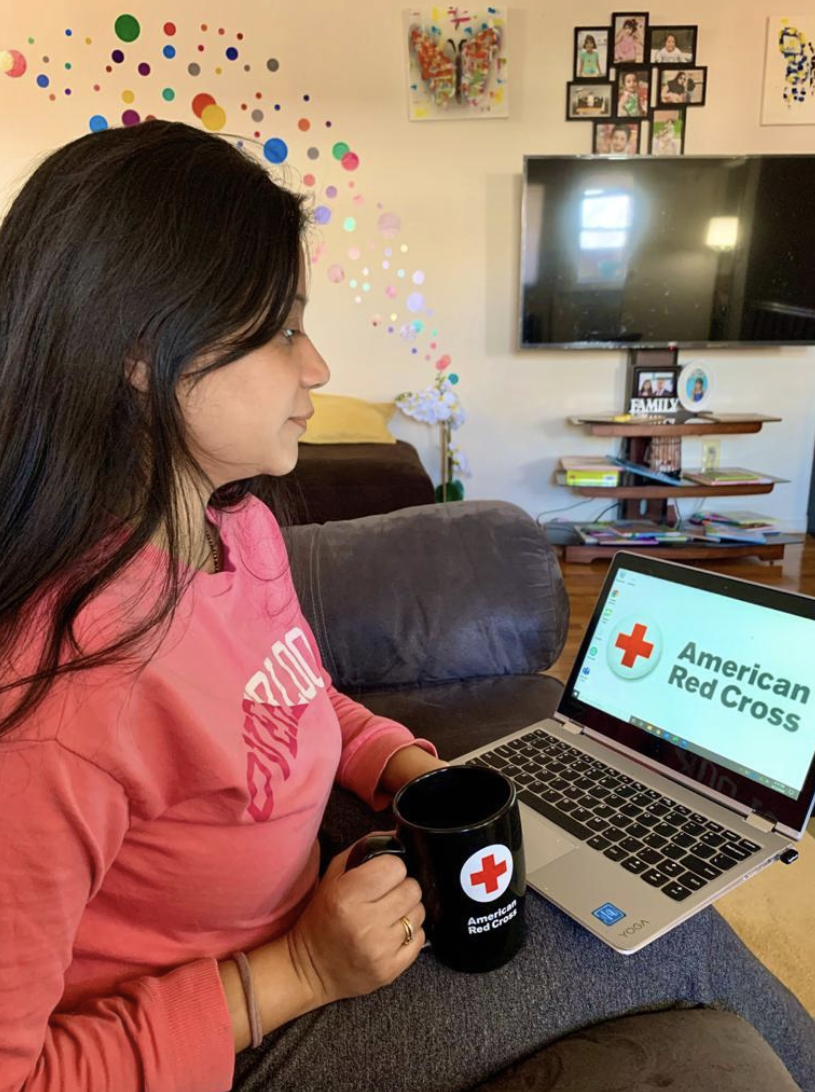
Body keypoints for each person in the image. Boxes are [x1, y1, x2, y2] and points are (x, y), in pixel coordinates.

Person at [2, 120, 815, 1092]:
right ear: (140, 354)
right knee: (675, 953)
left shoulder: (238, 531)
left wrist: (401, 767)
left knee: (646, 905)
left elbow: (292, 699)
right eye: (279, 328)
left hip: (317, 904)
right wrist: (293, 973)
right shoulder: (58, 706)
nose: (316, 369)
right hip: (238, 1033)